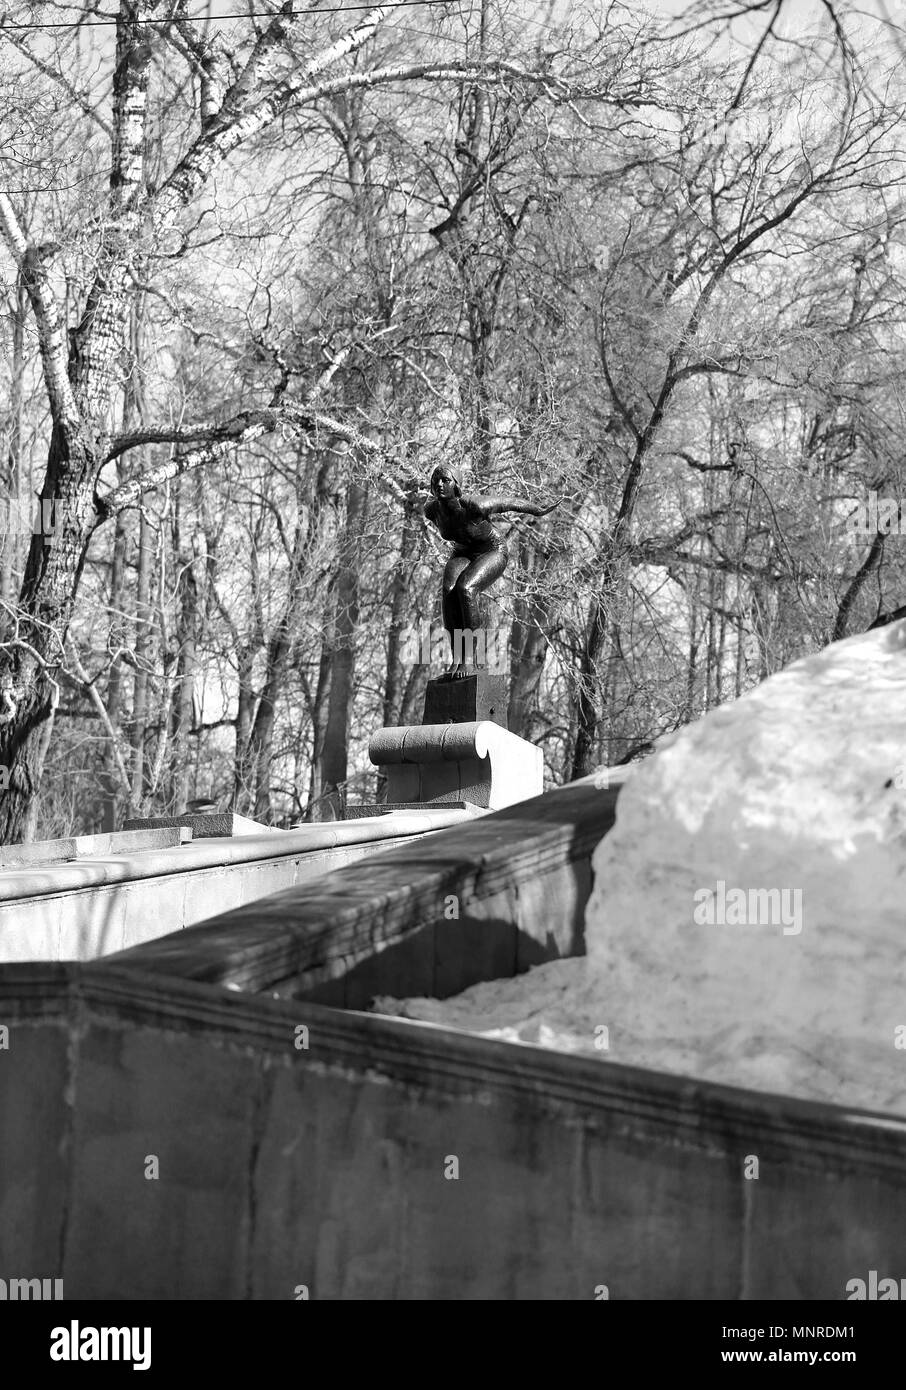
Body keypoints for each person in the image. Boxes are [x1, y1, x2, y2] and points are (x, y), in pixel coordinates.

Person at [424, 464, 561, 681]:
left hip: (492, 551)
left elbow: (510, 503)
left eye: (445, 480)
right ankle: (457, 659)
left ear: (456, 485)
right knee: (448, 590)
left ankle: (469, 658)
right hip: (462, 552)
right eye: (435, 480)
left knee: (466, 588)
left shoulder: (474, 505)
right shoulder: (432, 510)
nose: (439, 484)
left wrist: (538, 509)